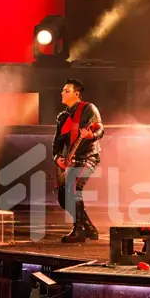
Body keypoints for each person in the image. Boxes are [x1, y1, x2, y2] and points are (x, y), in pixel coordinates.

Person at [52, 79, 104, 243]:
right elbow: (56, 143)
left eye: (66, 91)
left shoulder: (89, 109)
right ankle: (89, 227)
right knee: (63, 197)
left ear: (76, 94)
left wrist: (92, 136)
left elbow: (100, 128)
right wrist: (57, 158)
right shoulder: (62, 117)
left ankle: (79, 229)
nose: (62, 93)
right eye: (63, 90)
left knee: (73, 185)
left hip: (88, 156)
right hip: (70, 160)